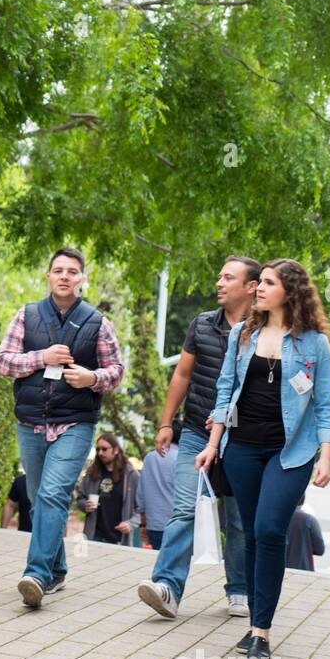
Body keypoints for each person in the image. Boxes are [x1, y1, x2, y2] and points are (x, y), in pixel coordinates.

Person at [196, 259, 330, 659]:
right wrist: (213, 444)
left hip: (290, 453)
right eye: (258, 282)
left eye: (269, 283)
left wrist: (325, 456)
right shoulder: (243, 334)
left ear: (289, 291)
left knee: (270, 529)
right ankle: (255, 622)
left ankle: (261, 631)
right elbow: (225, 389)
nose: (259, 287)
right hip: (241, 449)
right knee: (255, 537)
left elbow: (326, 402)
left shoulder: (313, 344)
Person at [0, 247, 125, 607]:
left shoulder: (98, 322)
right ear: (49, 276)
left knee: (52, 495)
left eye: (72, 271)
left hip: (75, 423)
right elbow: (3, 362)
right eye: (58, 270)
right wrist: (42, 358)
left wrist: (91, 377)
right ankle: (58, 568)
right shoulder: (27, 315)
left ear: (82, 278)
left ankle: (35, 574)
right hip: (31, 421)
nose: (65, 276)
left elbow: (116, 371)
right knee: (39, 501)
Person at [138, 257, 257, 620]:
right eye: (219, 276)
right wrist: (165, 423)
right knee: (184, 509)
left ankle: (239, 589)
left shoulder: (265, 332)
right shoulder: (202, 324)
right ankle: (167, 587)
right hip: (194, 433)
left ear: (251, 286)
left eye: (228, 278)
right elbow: (182, 375)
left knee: (237, 520)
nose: (219, 283)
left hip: (242, 441)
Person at [76, 432, 140, 545]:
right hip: (94, 537)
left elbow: (141, 509)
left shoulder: (130, 476)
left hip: (119, 540)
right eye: (98, 449)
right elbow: (80, 498)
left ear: (115, 450)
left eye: (104, 449)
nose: (100, 453)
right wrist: (84, 505)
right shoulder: (92, 473)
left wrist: (130, 524)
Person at [137, 418, 179, 549]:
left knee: (158, 560)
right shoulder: (182, 458)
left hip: (153, 524)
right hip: (177, 524)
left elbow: (141, 493)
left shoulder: (149, 457)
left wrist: (143, 524)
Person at [284, 494, 325, 571]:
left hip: (277, 569)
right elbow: (320, 549)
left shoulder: (274, 517)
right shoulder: (309, 520)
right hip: (303, 570)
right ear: (303, 502)